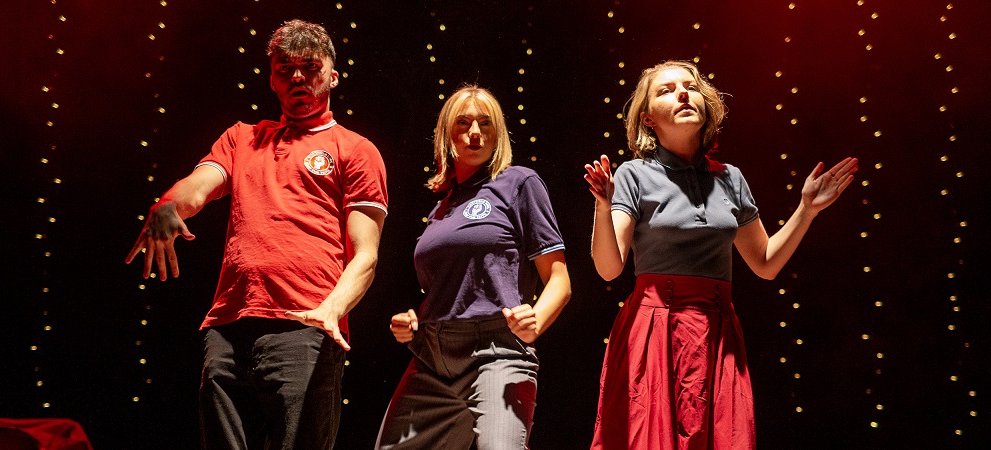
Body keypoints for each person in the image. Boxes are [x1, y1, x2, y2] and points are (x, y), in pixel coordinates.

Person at [123, 19, 388, 449]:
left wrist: (331, 310)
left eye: (310, 67)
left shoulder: (354, 149)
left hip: (306, 326)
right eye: (285, 68)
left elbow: (366, 255)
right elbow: (197, 187)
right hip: (229, 326)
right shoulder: (242, 139)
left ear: (334, 76)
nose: (298, 76)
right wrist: (166, 205)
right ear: (271, 78)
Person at [583, 60, 857, 450]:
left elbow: (765, 263)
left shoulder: (730, 177)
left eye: (690, 87)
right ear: (647, 119)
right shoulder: (633, 175)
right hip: (654, 331)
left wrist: (806, 209)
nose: (682, 93)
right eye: (666, 90)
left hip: (716, 334)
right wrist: (602, 205)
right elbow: (609, 269)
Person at [374, 85, 571, 449]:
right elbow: (448, 289)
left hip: (497, 351)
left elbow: (558, 278)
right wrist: (411, 322)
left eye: (485, 123)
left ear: (498, 133)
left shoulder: (518, 182)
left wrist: (536, 321)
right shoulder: (441, 207)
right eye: (463, 123)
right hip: (431, 356)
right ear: (447, 134)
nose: (475, 132)